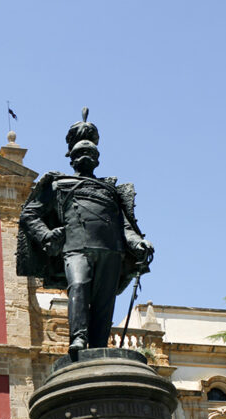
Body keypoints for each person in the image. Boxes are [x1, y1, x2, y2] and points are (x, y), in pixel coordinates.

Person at [17, 109, 153, 354]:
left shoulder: (110, 191)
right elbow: (29, 214)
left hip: (111, 251)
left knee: (104, 302)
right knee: (78, 286)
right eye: (80, 152)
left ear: (98, 158)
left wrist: (137, 243)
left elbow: (124, 226)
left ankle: (99, 346)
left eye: (90, 152)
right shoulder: (59, 185)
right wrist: (46, 235)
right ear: (71, 156)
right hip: (75, 249)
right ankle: (78, 338)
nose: (85, 156)